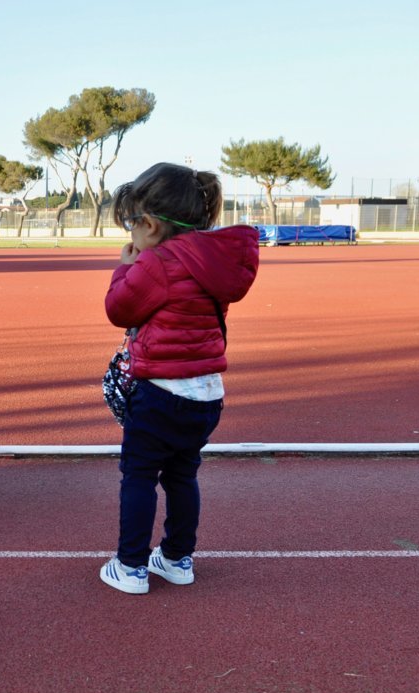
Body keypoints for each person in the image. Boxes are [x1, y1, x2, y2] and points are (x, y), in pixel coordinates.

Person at [98, 162, 259, 595]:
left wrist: (125, 269)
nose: (130, 234)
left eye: (131, 224)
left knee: (139, 475)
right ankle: (176, 558)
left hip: (160, 392)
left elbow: (119, 309)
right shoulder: (215, 261)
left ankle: (131, 566)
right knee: (182, 476)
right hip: (205, 394)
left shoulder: (157, 263)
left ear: (150, 224)